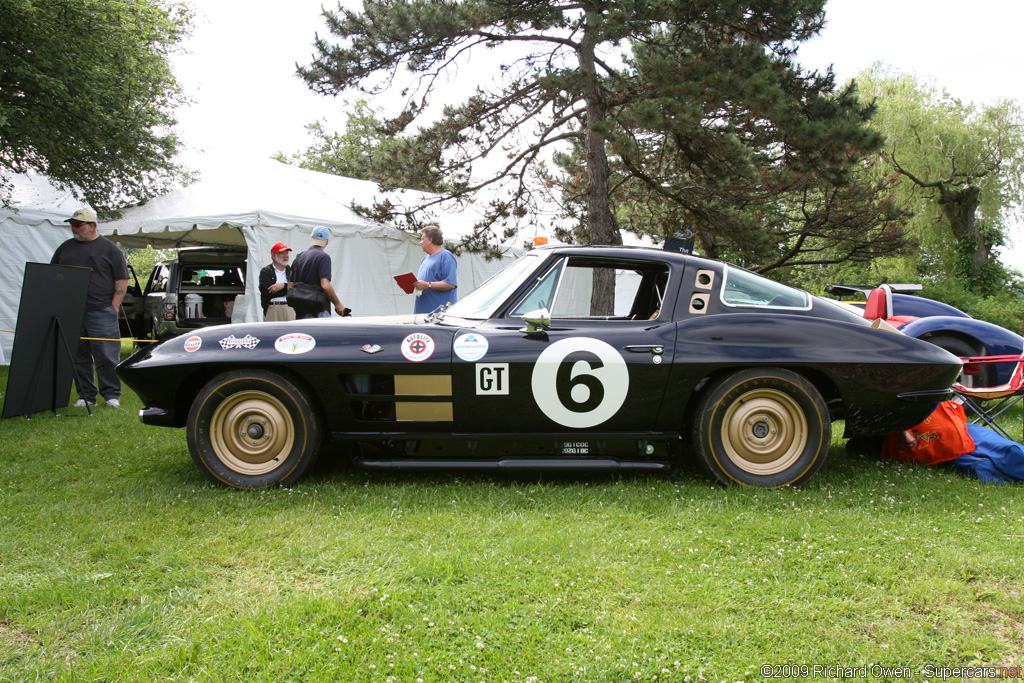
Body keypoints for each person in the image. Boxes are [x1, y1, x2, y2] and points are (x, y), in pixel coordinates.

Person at [50, 208, 129, 408]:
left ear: (92, 226)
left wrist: (114, 306)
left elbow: (121, 279)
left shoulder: (109, 249)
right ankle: (86, 396)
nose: (74, 228)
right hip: (72, 311)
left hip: (101, 310)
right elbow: (53, 273)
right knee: (78, 355)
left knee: (106, 354)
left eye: (78, 225)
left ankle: (111, 395)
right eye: (72, 224)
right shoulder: (65, 248)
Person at [290, 226, 346, 319]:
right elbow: (325, 285)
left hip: (300, 311)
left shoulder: (299, 257)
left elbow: (290, 286)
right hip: (318, 309)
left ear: (311, 238)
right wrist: (338, 304)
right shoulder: (323, 257)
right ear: (327, 242)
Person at [413, 224, 457, 314]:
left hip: (438, 315)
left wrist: (427, 285)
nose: (420, 242)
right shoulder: (426, 259)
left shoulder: (446, 256)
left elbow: (450, 284)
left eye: (422, 239)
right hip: (422, 312)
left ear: (430, 240)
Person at [259, 242, 295, 321]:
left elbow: (296, 289)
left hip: (290, 308)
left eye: (287, 253)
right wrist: (288, 289)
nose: (286, 256)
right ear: (273, 256)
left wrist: (283, 286)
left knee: (292, 332)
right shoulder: (266, 271)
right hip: (273, 308)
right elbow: (266, 291)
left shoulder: (291, 271)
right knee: (272, 333)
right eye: (282, 253)